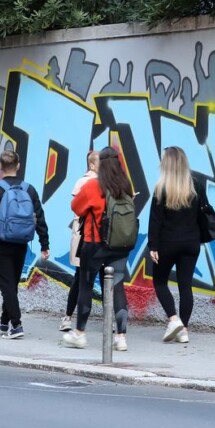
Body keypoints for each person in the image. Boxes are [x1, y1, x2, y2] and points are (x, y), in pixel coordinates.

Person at [0, 148, 49, 340]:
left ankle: (16, 324)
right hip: (21, 242)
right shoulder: (29, 189)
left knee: (6, 284)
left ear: (0, 166)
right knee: (12, 283)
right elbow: (39, 217)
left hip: (1, 243)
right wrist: (44, 244)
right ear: (18, 166)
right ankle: (5, 320)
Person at [63, 146, 134, 351]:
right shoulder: (125, 186)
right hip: (120, 245)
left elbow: (76, 207)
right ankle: (121, 338)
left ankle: (79, 334)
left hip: (94, 243)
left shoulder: (94, 186)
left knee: (86, 284)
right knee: (118, 286)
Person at [148, 146, 207, 344]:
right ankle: (184, 331)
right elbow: (202, 214)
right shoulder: (196, 185)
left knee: (159, 282)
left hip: (167, 244)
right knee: (185, 286)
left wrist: (153, 246)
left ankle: (173, 319)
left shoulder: (161, 188)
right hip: (191, 243)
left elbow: (155, 220)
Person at [61, 150, 99, 332]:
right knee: (92, 278)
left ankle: (68, 318)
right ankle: (69, 318)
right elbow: (78, 209)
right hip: (88, 236)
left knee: (80, 278)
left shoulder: (84, 182)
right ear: (92, 164)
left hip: (84, 237)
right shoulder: (87, 182)